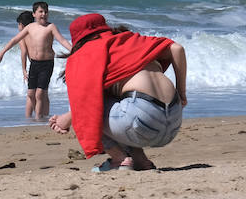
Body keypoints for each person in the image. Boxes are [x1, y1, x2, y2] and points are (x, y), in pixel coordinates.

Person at [49, 13, 188, 172]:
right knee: (118, 99)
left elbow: (86, 102)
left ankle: (119, 159)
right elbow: (177, 48)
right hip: (174, 121)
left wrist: (64, 120)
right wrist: (181, 94)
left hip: (141, 122)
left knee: (96, 102)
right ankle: (141, 161)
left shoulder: (87, 52)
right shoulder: (129, 40)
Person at [0, 1, 72, 119]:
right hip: (34, 63)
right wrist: (2, 52)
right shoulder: (30, 27)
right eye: (40, 11)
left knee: (40, 93)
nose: (43, 14)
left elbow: (63, 40)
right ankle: (39, 116)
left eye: (46, 12)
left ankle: (38, 118)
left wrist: (74, 50)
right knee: (31, 93)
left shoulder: (51, 27)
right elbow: (15, 40)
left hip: (47, 64)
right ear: (34, 14)